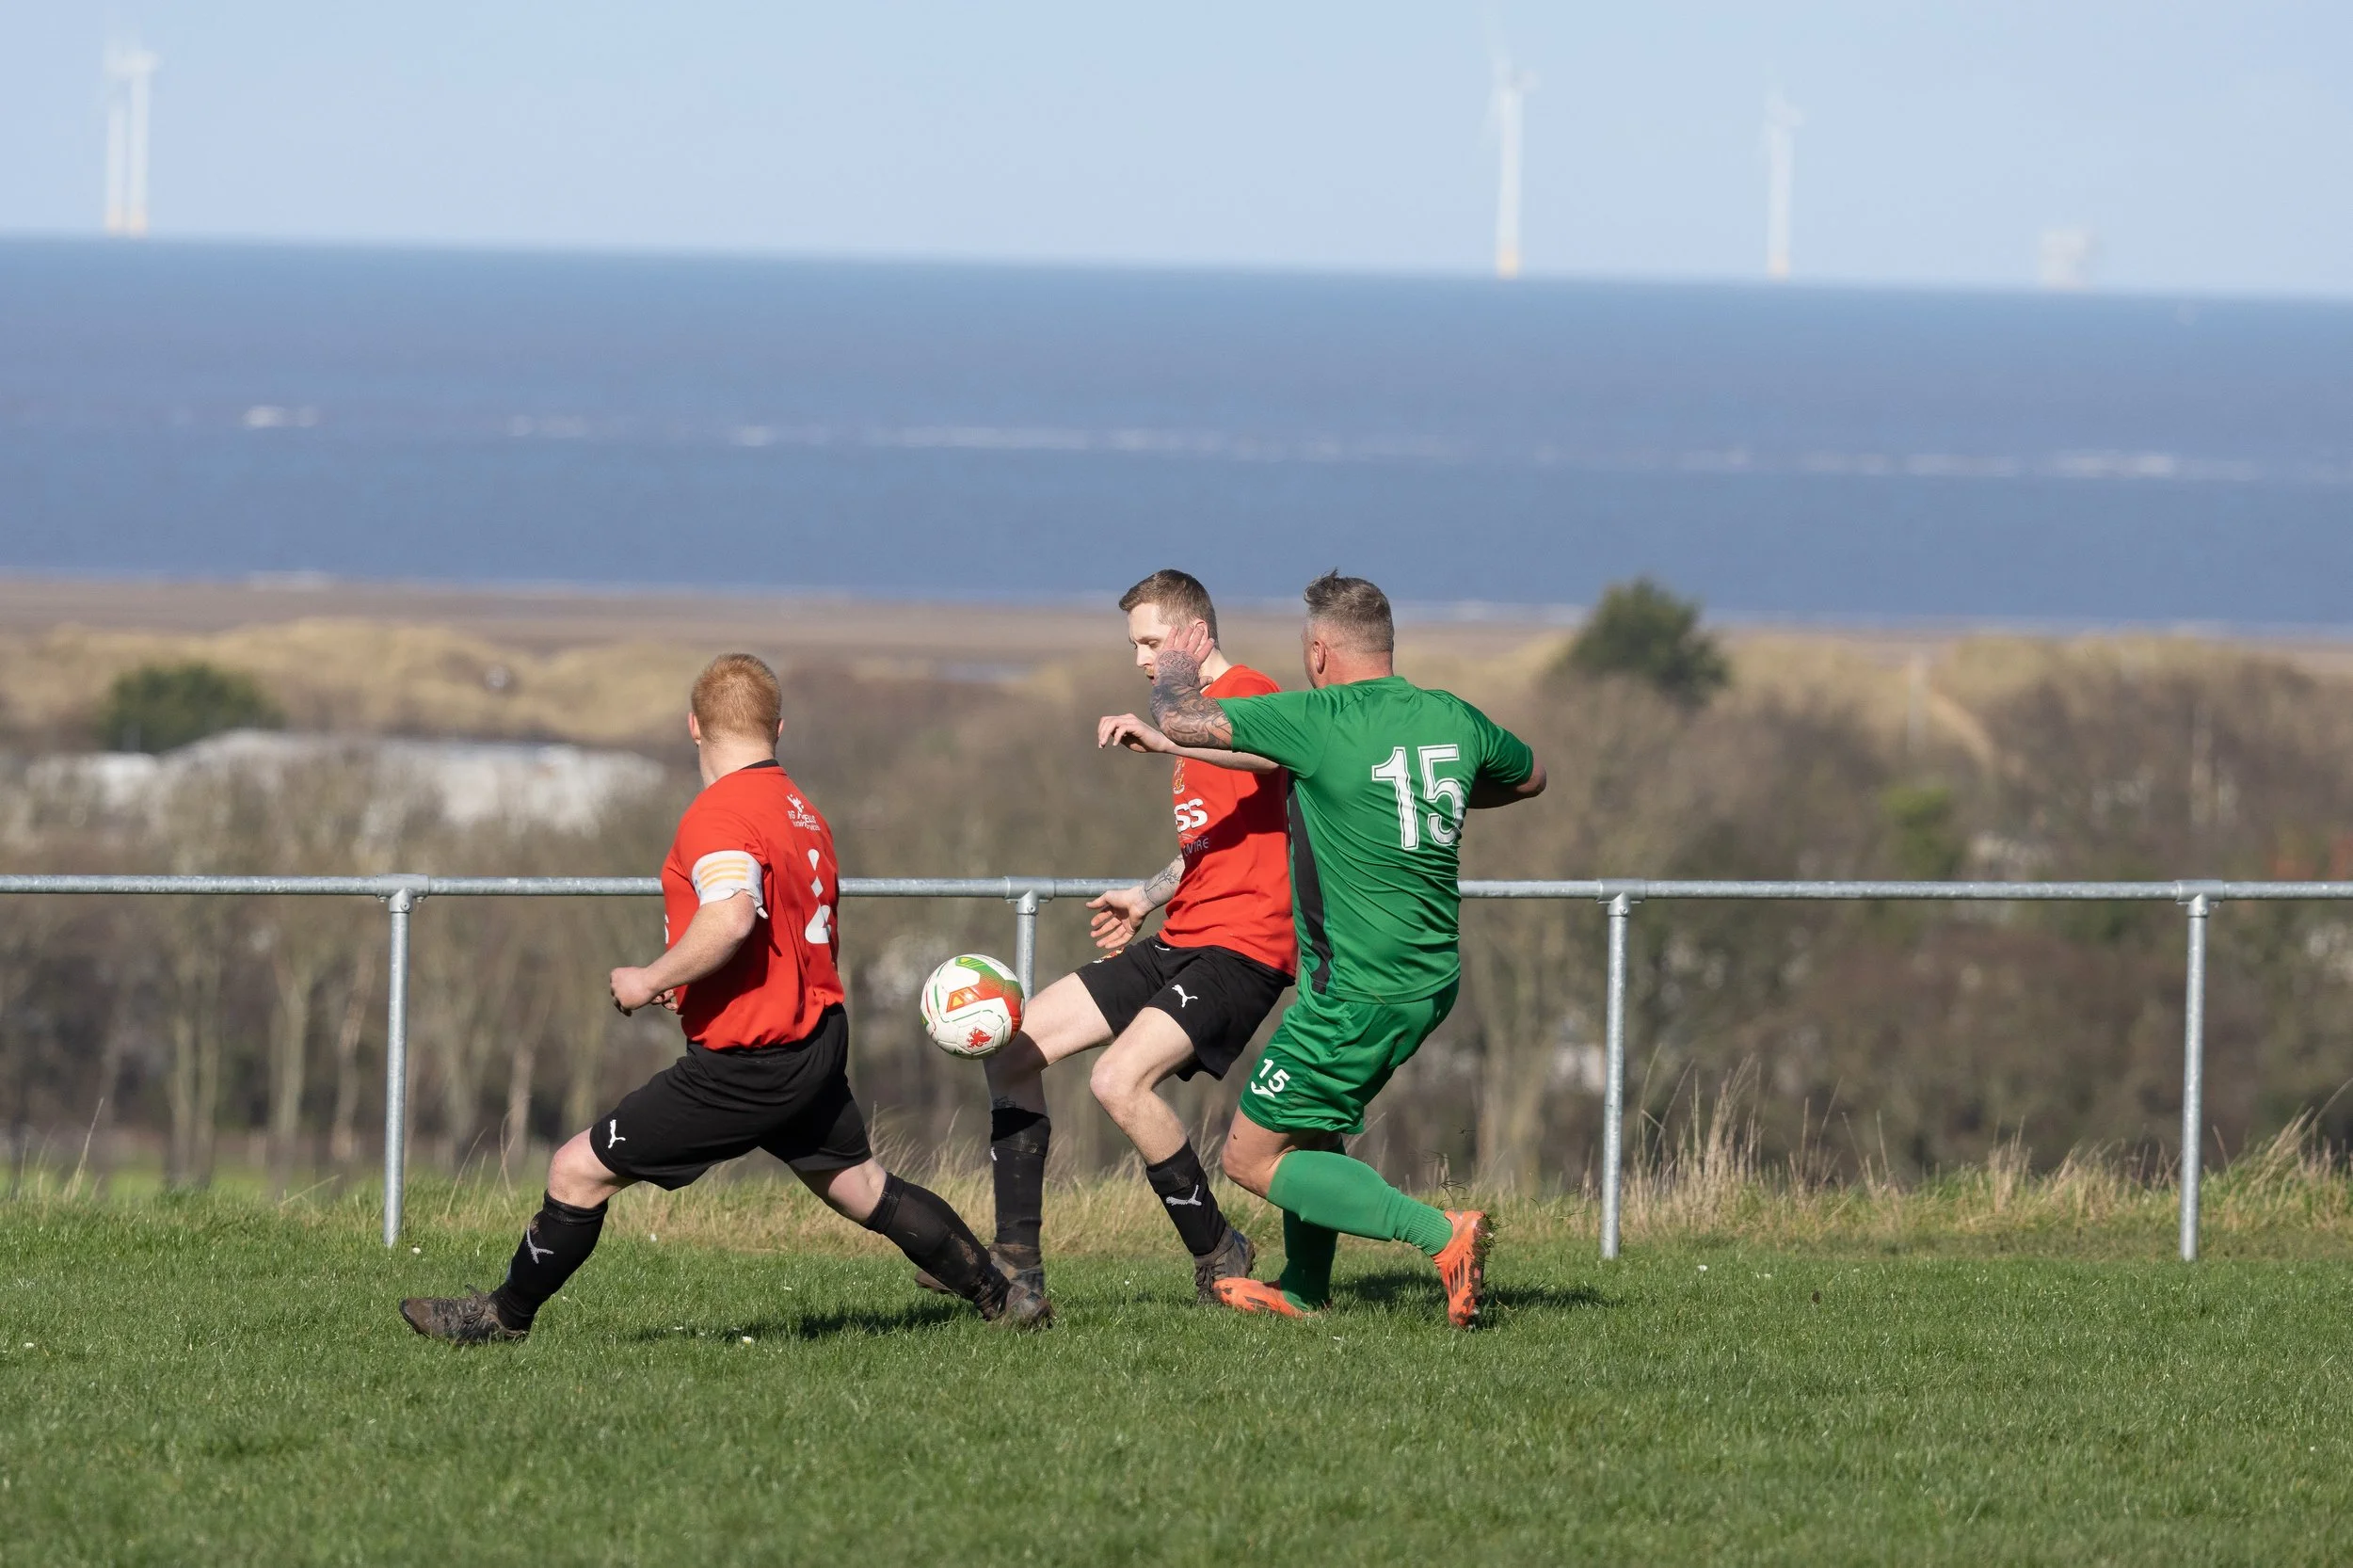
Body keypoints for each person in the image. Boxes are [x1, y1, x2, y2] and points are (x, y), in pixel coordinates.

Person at [401, 653, 1047, 1343]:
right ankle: (1002, 1296)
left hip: (748, 1063)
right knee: (860, 1186)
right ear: (779, 728)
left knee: (575, 1169)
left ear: (693, 727)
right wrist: (700, 981)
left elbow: (733, 915)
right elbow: (785, 937)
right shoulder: (803, 813)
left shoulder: (720, 814)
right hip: (815, 1038)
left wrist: (649, 979)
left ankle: (501, 1319)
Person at [1140, 571, 1546, 1328]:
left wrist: (1174, 663)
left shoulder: (1321, 718)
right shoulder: (1451, 716)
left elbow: (1187, 721)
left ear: (1320, 651)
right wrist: (1441, 792)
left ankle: (1441, 1235)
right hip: (1429, 979)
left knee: (1251, 1158)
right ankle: (1303, 1287)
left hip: (1355, 990)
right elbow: (1530, 778)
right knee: (1312, 1124)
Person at [949, 568, 1295, 1307]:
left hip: (1245, 950)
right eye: (1134, 645)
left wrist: (1172, 741)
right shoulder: (1193, 724)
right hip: (1183, 935)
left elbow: (1274, 757)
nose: (1140, 658)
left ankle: (1218, 1249)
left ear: (1190, 631)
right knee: (1010, 1047)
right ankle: (1018, 1263)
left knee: (1116, 1080)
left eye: (1149, 641)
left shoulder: (1253, 692)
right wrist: (1145, 895)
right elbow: (1212, 841)